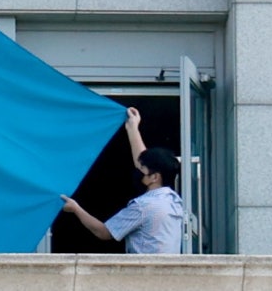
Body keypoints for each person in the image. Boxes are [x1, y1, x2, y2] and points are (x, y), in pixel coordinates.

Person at [60, 107, 183, 253]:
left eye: (142, 170)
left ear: (154, 177)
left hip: (145, 267)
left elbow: (103, 232)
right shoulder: (174, 201)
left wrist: (75, 208)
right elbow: (142, 161)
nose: (138, 171)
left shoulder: (143, 207)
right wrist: (133, 128)